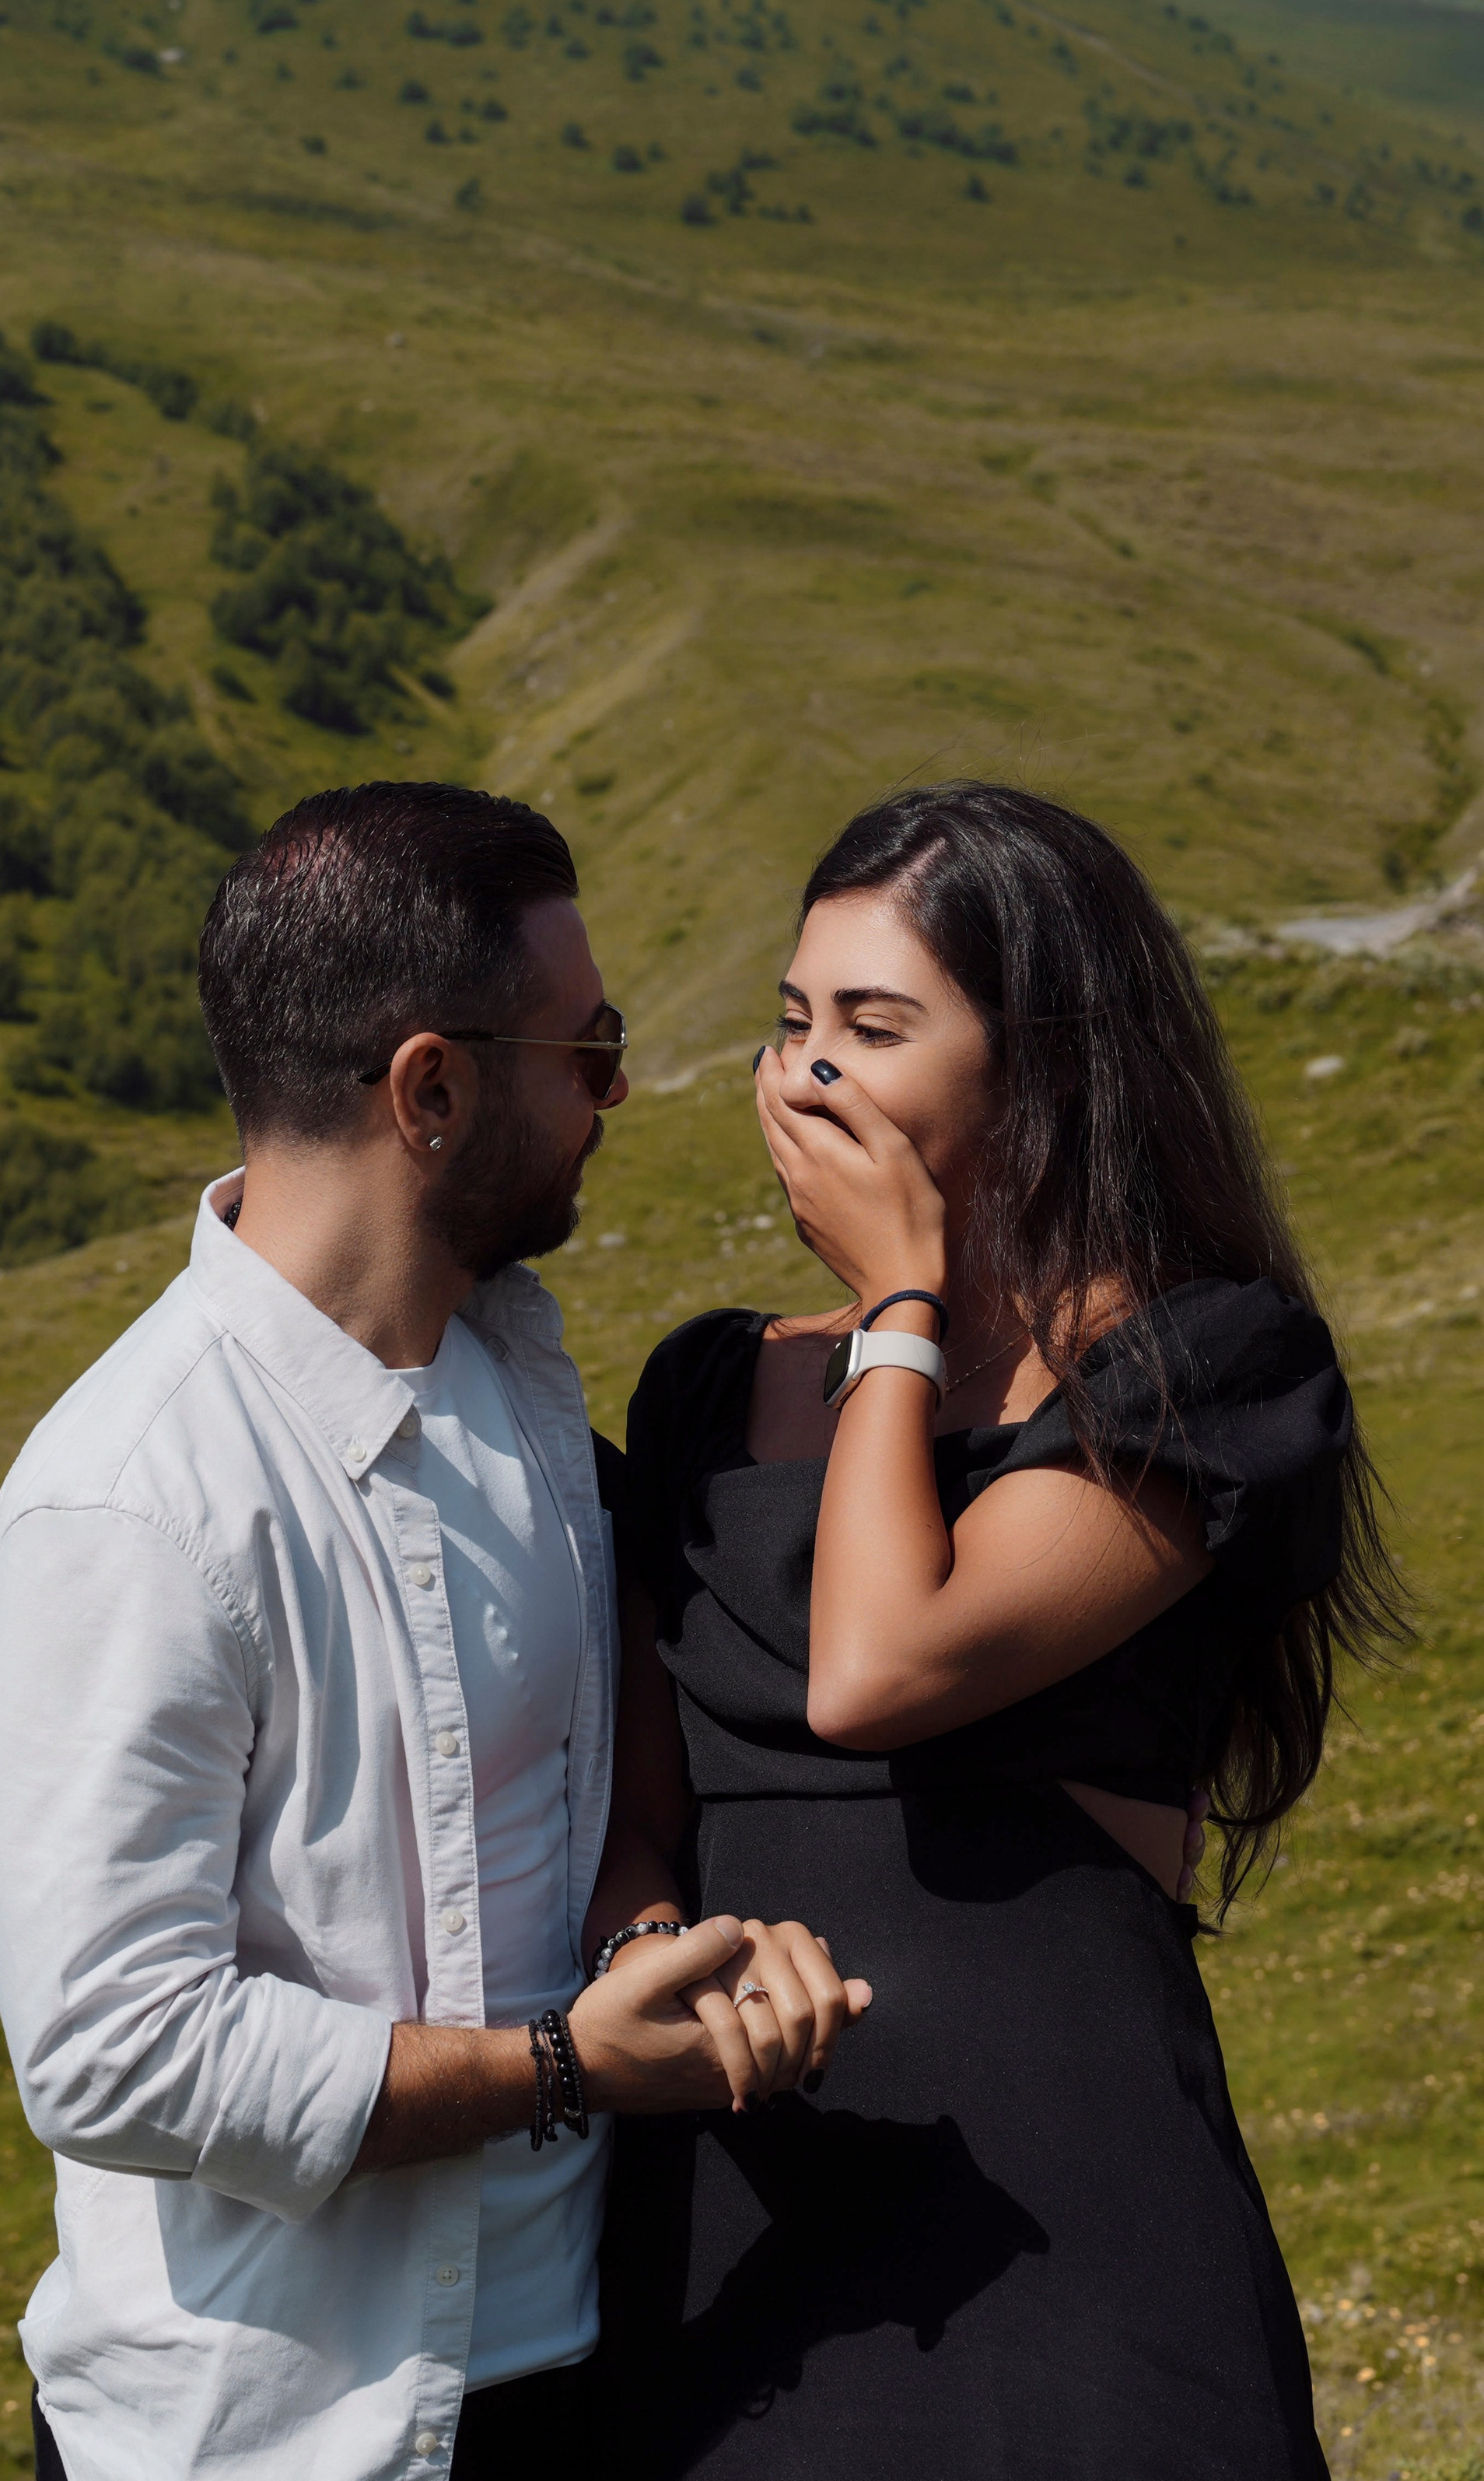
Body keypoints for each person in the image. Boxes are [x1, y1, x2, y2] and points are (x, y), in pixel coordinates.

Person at [0, 782, 866, 2481]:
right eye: (589, 1049)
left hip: (572, 2366)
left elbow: (560, 1820)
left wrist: (648, 1940)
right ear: (431, 1090)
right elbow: (114, 2053)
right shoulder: (131, 1509)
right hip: (281, 2434)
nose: (613, 1094)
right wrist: (559, 2071)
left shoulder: (511, 1383)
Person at [586, 782, 1405, 2478]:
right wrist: (657, 1958)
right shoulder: (704, 1386)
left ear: (1042, 1070)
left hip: (1062, 2229)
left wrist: (898, 1303)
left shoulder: (1199, 1371)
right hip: (725, 2212)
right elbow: (633, 1807)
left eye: (873, 1029)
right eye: (792, 1022)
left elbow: (880, 1665)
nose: (806, 1075)